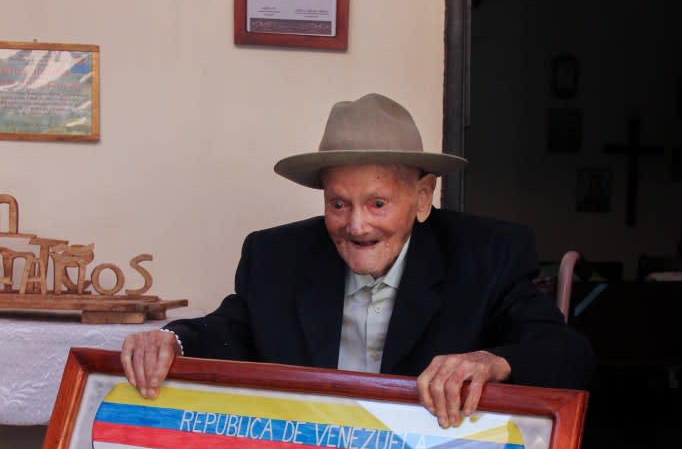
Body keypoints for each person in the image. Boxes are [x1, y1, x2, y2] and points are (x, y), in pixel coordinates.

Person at [121, 93, 594, 427]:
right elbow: (232, 328)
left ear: (423, 197)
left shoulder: (488, 255)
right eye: (339, 203)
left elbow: (566, 354)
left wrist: (490, 361)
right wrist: (171, 341)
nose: (357, 225)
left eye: (378, 204)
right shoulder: (276, 256)